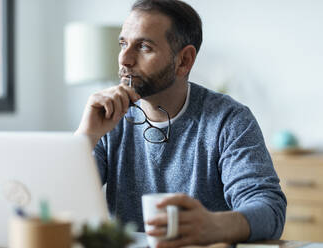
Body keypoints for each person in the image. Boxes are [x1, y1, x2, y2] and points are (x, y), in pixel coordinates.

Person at [75, 0, 286, 247]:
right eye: (123, 43)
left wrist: (213, 225)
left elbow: (270, 210)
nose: (124, 58)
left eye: (143, 46)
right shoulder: (109, 119)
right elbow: (57, 204)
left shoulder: (229, 120)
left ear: (184, 60)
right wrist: (86, 136)